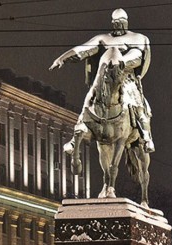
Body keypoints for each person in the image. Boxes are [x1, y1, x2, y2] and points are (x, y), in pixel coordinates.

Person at [49, 8, 155, 154]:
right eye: (116, 23)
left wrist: (120, 61)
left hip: (125, 78)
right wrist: (63, 58)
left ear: (126, 22)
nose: (119, 26)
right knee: (90, 98)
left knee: (136, 102)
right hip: (104, 78)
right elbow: (83, 49)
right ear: (112, 23)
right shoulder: (103, 39)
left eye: (122, 23)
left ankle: (146, 136)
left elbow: (137, 55)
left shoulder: (138, 38)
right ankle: (77, 135)